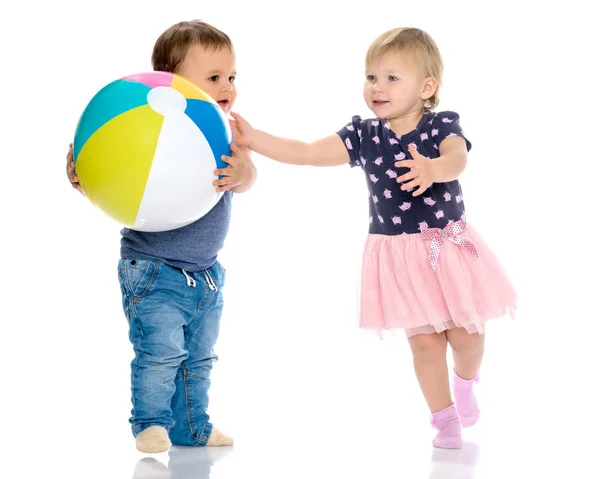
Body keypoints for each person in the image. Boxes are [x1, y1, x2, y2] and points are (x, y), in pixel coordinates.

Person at [229, 27, 516, 449]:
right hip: (400, 257)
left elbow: (458, 158)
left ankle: (466, 382)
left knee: (468, 337)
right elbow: (308, 152)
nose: (377, 87)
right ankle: (443, 418)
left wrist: (433, 169)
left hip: (447, 250)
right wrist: (256, 140)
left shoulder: (441, 126)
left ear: (426, 87)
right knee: (425, 346)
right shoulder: (365, 136)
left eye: (391, 78)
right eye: (371, 77)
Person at [66, 20, 257, 453]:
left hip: (206, 274)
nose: (227, 86)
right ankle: (150, 424)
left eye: (231, 76)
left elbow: (248, 177)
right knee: (160, 354)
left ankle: (192, 427)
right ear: (171, 83)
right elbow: (99, 159)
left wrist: (244, 172)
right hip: (153, 269)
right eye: (213, 78)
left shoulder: (221, 132)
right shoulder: (142, 126)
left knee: (199, 359)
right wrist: (79, 168)